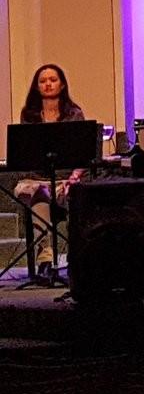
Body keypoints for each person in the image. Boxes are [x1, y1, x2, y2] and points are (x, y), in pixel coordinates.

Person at [14, 64, 87, 276]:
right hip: (37, 179)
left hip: (66, 179)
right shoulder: (29, 115)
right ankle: (45, 259)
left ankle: (78, 257)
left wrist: (74, 177)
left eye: (53, 80)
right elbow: (26, 153)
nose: (48, 84)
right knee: (39, 194)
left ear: (62, 85)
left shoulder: (74, 114)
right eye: (43, 81)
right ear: (37, 86)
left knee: (78, 195)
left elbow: (83, 153)